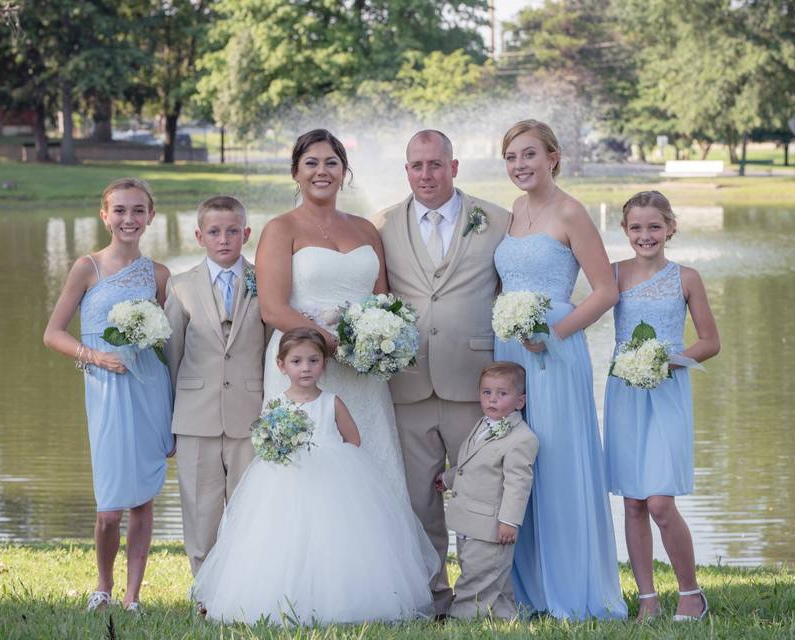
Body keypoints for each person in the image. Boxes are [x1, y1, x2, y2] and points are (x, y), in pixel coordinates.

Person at [192, 328, 439, 625]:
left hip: (332, 481)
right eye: (296, 361)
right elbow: (265, 441)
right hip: (286, 481)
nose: (306, 368)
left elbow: (353, 439)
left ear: (324, 364)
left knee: (335, 539)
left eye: (313, 360)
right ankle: (282, 599)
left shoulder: (331, 401)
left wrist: (335, 461)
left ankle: (342, 601)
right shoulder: (277, 404)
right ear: (281, 365)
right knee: (283, 537)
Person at [493, 120, 625, 619]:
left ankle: (571, 589)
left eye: (529, 154)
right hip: (509, 348)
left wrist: (557, 332)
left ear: (553, 156)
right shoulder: (515, 210)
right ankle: (527, 591)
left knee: (555, 461)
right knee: (517, 462)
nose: (520, 165)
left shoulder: (570, 211)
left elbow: (605, 291)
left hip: (554, 349)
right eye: (511, 157)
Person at [375, 129, 510, 615]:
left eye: (436, 164)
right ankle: (434, 595)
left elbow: (514, 291)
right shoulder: (384, 224)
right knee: (419, 501)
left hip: (475, 381)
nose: (426, 174)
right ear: (406, 170)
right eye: (417, 165)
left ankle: (483, 597)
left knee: (479, 495)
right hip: (407, 382)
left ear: (454, 167)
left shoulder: (497, 220)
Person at [255, 128, 410, 502]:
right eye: (311, 163)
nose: (321, 171)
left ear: (344, 171)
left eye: (331, 163)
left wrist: (376, 346)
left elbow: (382, 301)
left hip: (363, 376)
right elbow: (272, 308)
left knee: (369, 459)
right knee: (307, 472)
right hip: (304, 366)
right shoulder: (281, 229)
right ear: (296, 173)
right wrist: (334, 346)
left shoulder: (366, 229)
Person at [43, 177, 174, 613]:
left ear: (151, 216)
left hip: (148, 390)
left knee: (141, 499)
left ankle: (133, 596)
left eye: (138, 210)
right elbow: (52, 334)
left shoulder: (159, 275)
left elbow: (167, 344)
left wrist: (174, 412)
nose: (129, 219)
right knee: (109, 508)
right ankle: (103, 586)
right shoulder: (87, 268)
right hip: (105, 390)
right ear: (105, 216)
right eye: (120, 210)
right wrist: (95, 357)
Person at [604, 190, 720, 621]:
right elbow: (583, 314)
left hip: (667, 390)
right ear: (625, 231)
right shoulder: (613, 275)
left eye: (654, 226)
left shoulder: (686, 278)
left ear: (670, 227)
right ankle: (648, 600)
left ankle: (691, 594)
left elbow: (711, 342)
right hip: (624, 393)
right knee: (633, 501)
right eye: (636, 227)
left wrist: (665, 359)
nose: (645, 235)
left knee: (659, 502)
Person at [163, 195, 265, 578]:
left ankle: (244, 586)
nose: (224, 239)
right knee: (200, 510)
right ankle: (203, 590)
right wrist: (170, 419)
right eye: (215, 232)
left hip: (250, 415)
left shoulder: (264, 280)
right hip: (195, 417)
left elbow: (274, 351)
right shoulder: (180, 286)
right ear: (199, 236)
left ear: (246, 234)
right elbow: (172, 356)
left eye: (233, 232)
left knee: (248, 508)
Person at [436, 362, 538, 621]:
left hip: (492, 526)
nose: (492, 399)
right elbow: (471, 464)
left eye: (502, 394)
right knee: (493, 579)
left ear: (520, 401)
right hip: (469, 521)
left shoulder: (521, 439)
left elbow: (518, 484)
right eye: (486, 392)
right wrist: (448, 479)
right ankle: (506, 617)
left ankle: (460, 619)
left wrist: (509, 521)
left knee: (478, 577)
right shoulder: (484, 424)